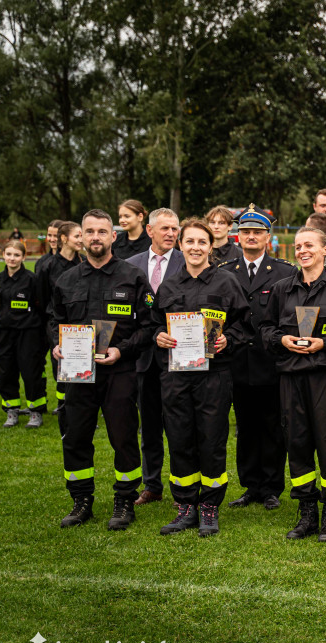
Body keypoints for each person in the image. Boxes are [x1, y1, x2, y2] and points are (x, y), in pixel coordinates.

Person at [259, 226, 326, 542]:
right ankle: (307, 513)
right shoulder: (282, 289)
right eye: (299, 245)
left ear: (324, 249)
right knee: (298, 444)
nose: (303, 250)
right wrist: (282, 339)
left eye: (310, 245)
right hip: (292, 378)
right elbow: (265, 328)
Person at [50, 209, 154, 531]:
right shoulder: (66, 280)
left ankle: (124, 501)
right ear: (81, 236)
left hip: (119, 372)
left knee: (123, 437)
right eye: (89, 231)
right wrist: (56, 343)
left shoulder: (133, 277)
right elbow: (55, 321)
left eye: (102, 231)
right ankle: (81, 501)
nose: (95, 237)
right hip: (78, 373)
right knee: (76, 436)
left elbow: (150, 325)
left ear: (113, 236)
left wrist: (122, 349)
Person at [152, 219, 251, 536]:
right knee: (179, 439)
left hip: (214, 377)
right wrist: (158, 336)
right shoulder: (168, 287)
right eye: (190, 241)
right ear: (181, 245)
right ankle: (185, 507)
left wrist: (228, 340)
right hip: (176, 377)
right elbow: (153, 325)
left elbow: (245, 324)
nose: (195, 247)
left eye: (202, 242)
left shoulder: (226, 283)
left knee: (211, 440)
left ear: (211, 247)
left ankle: (209, 507)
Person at [219, 206, 296, 510]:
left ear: (268, 236)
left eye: (257, 232)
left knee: (273, 425)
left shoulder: (284, 272)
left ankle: (272, 486)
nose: (251, 237)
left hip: (271, 362)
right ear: (238, 236)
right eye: (246, 232)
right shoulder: (224, 271)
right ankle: (251, 485)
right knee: (245, 426)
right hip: (236, 361)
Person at [127, 209, 184, 506]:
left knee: (179, 424)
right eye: (165, 228)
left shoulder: (188, 263)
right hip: (143, 358)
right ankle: (151, 485)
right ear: (149, 230)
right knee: (148, 425)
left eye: (175, 228)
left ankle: (181, 485)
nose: (171, 234)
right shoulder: (131, 265)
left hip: (178, 356)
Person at [0, 240, 47, 427]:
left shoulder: (32, 279)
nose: (12, 258)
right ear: (3, 255)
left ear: (24, 257)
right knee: (5, 371)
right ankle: (11, 410)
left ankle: (36, 411)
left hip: (28, 333)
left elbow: (41, 306)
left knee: (31, 371)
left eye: (17, 255)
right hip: (4, 333)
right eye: (9, 254)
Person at [38, 221, 84, 423]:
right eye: (77, 236)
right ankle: (63, 405)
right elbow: (41, 297)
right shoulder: (48, 266)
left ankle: (81, 406)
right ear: (64, 238)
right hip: (55, 323)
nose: (81, 240)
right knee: (61, 364)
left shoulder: (82, 264)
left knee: (81, 364)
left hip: (79, 323)